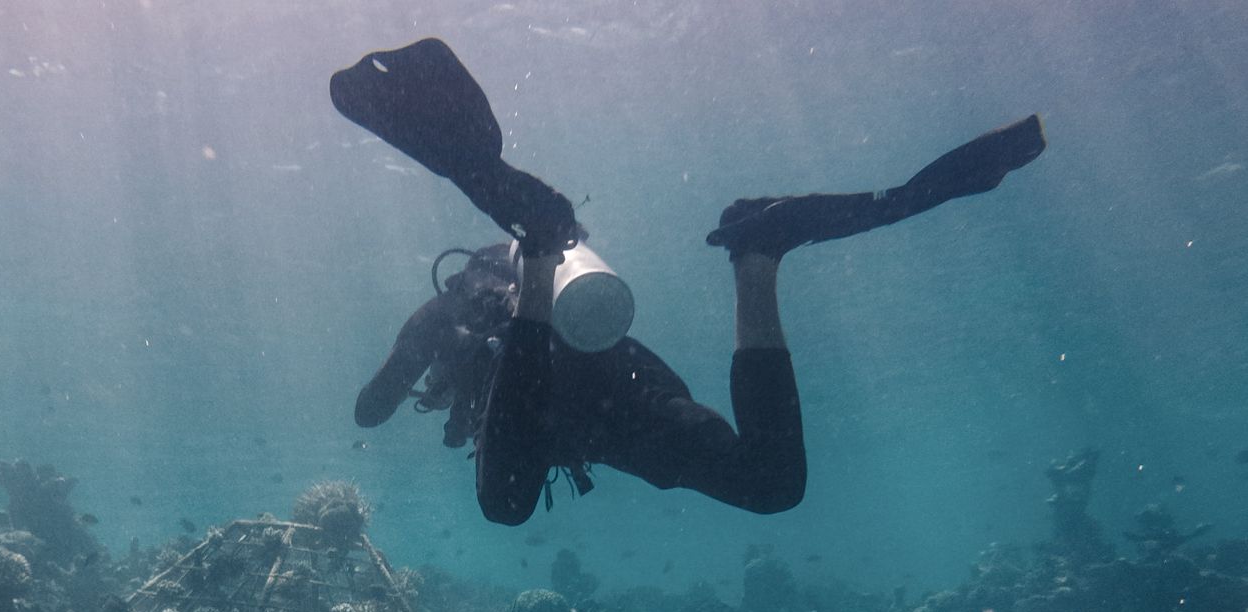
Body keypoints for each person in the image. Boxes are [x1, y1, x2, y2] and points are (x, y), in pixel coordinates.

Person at [330, 38, 1044, 525]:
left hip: (567, 389)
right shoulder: (466, 312)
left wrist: (413, 362)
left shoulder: (439, 316)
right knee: (768, 484)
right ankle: (755, 254)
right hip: (612, 378)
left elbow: (369, 411)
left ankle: (546, 251)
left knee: (505, 505)